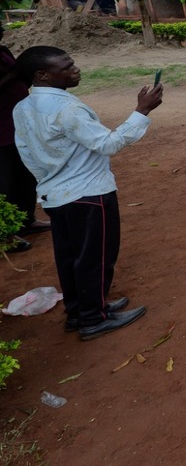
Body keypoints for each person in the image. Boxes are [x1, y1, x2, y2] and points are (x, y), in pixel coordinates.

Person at [13, 46, 164, 339]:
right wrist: (142, 110)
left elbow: (26, 152)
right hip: (89, 194)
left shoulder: (22, 107)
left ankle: (79, 310)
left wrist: (47, 181)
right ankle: (94, 318)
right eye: (67, 66)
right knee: (96, 256)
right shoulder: (66, 108)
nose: (75, 69)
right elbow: (108, 144)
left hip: (55, 195)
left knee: (70, 257)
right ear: (42, 75)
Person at [0, 26, 48, 252]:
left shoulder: (2, 51)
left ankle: (26, 220)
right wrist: (16, 73)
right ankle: (7, 233)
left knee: (26, 174)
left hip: (20, 123)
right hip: (2, 130)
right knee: (6, 181)